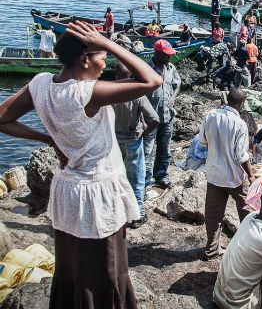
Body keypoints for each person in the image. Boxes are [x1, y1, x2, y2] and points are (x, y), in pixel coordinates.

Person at [0, 21, 162, 306]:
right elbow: (151, 80)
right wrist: (110, 43)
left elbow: (3, 117)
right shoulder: (86, 93)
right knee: (106, 272)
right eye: (102, 58)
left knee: (73, 271)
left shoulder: (40, 85)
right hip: (97, 195)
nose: (105, 64)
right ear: (85, 58)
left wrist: (49, 139)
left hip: (67, 192)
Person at [199, 88, 255, 260]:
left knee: (213, 213)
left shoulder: (211, 116)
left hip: (214, 174)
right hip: (234, 177)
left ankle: (211, 249)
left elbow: (203, 141)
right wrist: (251, 175)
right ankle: (248, 249)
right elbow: (241, 156)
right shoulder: (240, 125)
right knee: (247, 211)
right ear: (241, 104)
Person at [112, 63, 159, 228]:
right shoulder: (136, 94)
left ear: (116, 76)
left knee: (117, 178)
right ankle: (136, 215)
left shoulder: (109, 93)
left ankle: (119, 211)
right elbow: (154, 119)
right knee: (136, 180)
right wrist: (143, 135)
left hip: (114, 143)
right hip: (133, 141)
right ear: (131, 75)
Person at [144, 39, 180, 190]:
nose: (169, 57)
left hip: (167, 116)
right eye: (166, 55)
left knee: (164, 149)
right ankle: (145, 182)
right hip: (150, 118)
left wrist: (173, 97)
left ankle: (161, 176)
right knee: (147, 151)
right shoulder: (146, 69)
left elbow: (177, 84)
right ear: (157, 54)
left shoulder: (171, 68)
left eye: (170, 55)